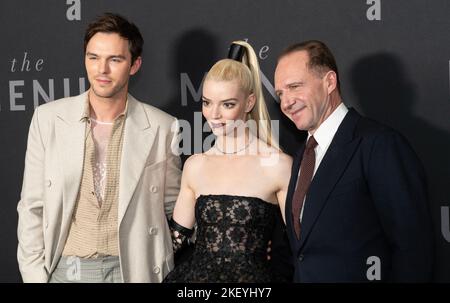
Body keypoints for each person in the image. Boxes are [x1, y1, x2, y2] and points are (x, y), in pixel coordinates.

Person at [17, 13, 181, 283]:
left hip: (133, 270)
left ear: (134, 64)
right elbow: (33, 206)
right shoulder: (48, 119)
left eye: (114, 60)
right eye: (93, 57)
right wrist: (35, 276)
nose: (101, 69)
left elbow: (174, 207)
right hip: (66, 270)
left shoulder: (163, 127)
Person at [274, 40, 434, 282]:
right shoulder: (301, 157)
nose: (286, 102)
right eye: (280, 93)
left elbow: (413, 248)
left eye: (295, 86)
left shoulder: (378, 144)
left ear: (329, 82)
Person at [163, 41, 292, 283]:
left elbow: (300, 245)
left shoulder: (278, 165)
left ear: (249, 103)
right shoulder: (195, 165)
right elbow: (175, 240)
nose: (214, 115)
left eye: (228, 104)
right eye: (207, 102)